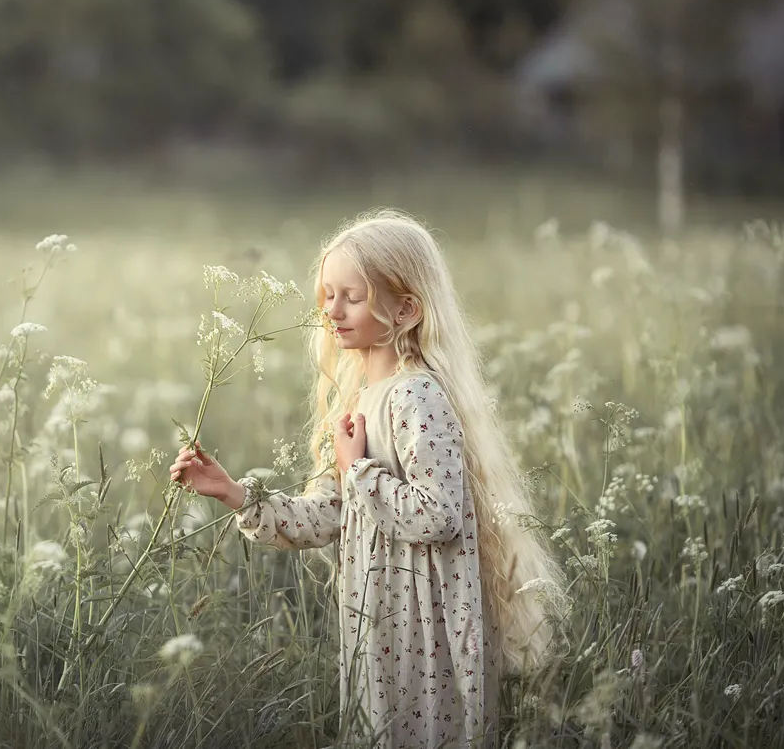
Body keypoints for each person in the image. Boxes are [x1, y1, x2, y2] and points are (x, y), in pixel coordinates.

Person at [170, 208, 566, 749]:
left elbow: (438, 515)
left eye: (352, 297)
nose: (332, 310)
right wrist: (233, 492)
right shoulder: (358, 399)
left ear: (406, 309)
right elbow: (329, 514)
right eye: (328, 295)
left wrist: (359, 469)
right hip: (379, 622)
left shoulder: (416, 395)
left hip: (422, 628)